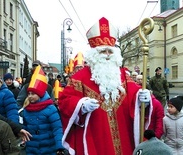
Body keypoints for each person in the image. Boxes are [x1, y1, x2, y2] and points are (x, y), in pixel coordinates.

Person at [58, 17, 158, 155]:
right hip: (95, 135)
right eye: (102, 51)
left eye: (110, 51)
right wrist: (81, 105)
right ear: (94, 54)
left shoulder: (123, 74)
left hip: (124, 135)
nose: (107, 55)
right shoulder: (79, 78)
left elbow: (134, 95)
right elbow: (64, 101)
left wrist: (143, 99)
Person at [21, 65, 68, 155]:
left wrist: (59, 146)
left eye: (33, 94)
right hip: (32, 148)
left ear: (40, 94)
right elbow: (25, 127)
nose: (30, 96)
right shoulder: (27, 109)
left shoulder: (50, 109)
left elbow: (57, 129)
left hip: (48, 149)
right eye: (29, 93)